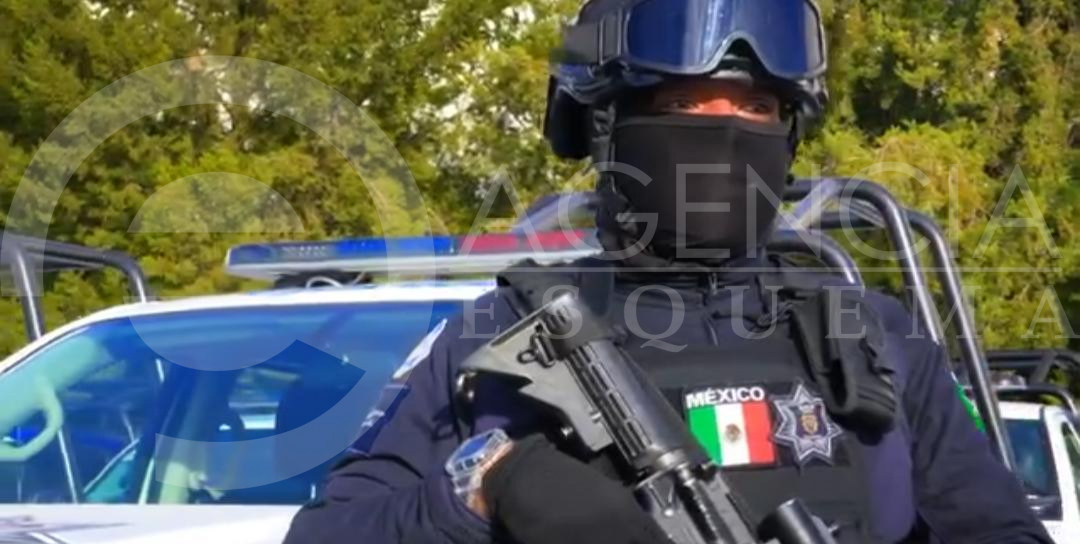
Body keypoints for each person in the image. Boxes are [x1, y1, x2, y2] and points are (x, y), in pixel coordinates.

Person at [284, 0, 1051, 542]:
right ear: (607, 128)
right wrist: (486, 489)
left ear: (790, 133)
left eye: (756, 110)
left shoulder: (874, 333)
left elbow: (1001, 531)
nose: (724, 136)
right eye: (684, 105)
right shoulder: (499, 332)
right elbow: (329, 532)